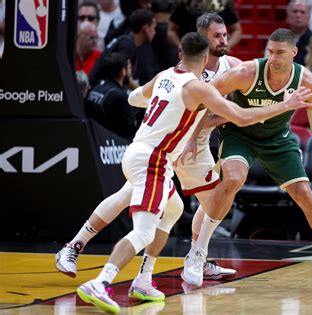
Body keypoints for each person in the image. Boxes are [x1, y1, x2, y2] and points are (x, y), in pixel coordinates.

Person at [75, 31, 312, 314]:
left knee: (173, 210)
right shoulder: (199, 88)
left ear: (181, 55)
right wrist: (286, 105)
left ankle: (143, 279)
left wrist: (165, 109)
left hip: (138, 150)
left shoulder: (165, 75)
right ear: (205, 60)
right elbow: (243, 117)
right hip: (155, 160)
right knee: (143, 232)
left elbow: (136, 98)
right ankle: (101, 282)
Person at [57, 13, 241, 283]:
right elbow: (233, 114)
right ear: (201, 41)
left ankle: (194, 257)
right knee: (130, 198)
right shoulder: (183, 73)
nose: (224, 40)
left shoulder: (233, 66)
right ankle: (82, 254)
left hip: (191, 147)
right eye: (217, 36)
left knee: (206, 203)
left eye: (225, 34)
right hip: (169, 147)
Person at [181, 28, 312, 292]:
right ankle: (198, 253)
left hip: (278, 138)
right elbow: (201, 99)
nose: (273, 58)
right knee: (233, 178)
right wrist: (192, 137)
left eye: (280, 53)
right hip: (239, 133)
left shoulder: (307, 81)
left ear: (294, 53)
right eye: (270, 51)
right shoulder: (246, 73)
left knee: (304, 194)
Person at [84, 52, 139, 140]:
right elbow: (132, 128)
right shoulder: (120, 96)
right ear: (122, 71)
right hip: (111, 144)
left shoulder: (96, 86)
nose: (130, 71)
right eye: (129, 68)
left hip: (92, 137)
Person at [167, 0, 242, 50]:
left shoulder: (224, 3)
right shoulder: (184, 2)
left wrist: (227, 46)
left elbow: (237, 30)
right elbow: (171, 30)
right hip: (190, 52)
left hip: (216, 53)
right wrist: (180, 46)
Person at [285, 0, 312, 66]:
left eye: (302, 12)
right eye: (295, 11)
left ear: (309, 18)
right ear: (288, 16)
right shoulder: (278, 38)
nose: (298, 15)